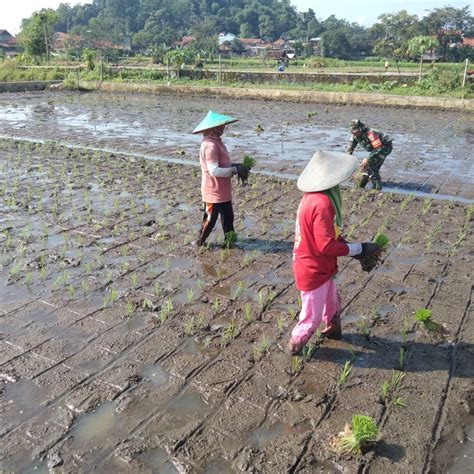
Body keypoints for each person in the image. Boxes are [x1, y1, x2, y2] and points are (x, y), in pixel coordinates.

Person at [287, 150, 381, 354]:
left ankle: (333, 331)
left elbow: (331, 238)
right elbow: (326, 246)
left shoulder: (310, 198)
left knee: (332, 303)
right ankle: (294, 346)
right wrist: (361, 248)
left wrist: (358, 254)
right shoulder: (322, 204)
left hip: (319, 267)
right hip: (313, 269)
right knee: (310, 318)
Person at [192, 110, 249, 248]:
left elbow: (222, 164)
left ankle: (230, 241)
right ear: (214, 128)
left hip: (223, 191)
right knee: (210, 219)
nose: (224, 128)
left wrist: (235, 165)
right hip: (213, 191)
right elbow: (214, 171)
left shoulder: (218, 142)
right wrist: (234, 170)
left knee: (228, 218)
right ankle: (200, 241)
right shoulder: (210, 146)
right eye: (222, 126)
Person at [347, 119, 393, 191]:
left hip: (384, 147)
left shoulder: (371, 134)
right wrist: (348, 155)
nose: (354, 134)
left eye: (356, 132)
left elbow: (378, 148)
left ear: (361, 129)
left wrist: (367, 159)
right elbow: (352, 144)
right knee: (367, 167)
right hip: (375, 148)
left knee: (371, 165)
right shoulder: (355, 135)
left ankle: (377, 187)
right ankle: (362, 183)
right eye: (353, 132)